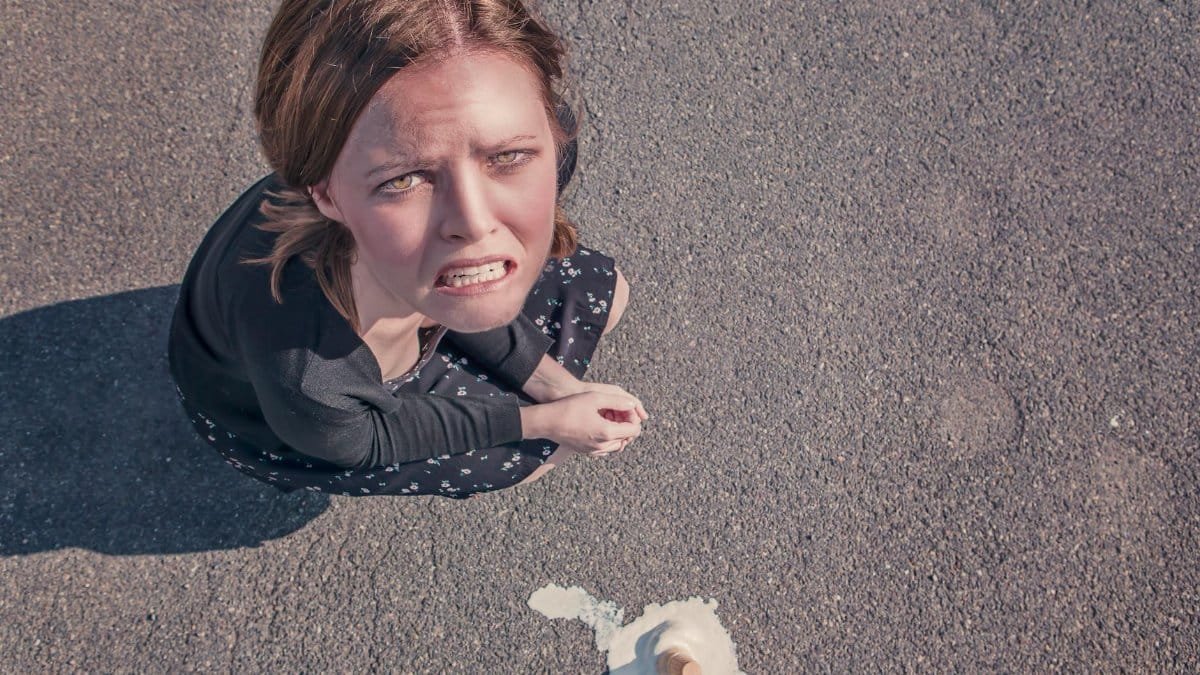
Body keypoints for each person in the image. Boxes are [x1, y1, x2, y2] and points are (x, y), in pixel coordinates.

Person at [167, 0, 648, 498]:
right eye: (405, 179)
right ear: (325, 192)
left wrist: (554, 385)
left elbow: (460, 285)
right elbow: (370, 438)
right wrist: (545, 420)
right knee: (534, 455)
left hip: (393, 300)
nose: (475, 223)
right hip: (280, 417)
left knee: (608, 297)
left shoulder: (513, 162)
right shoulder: (307, 369)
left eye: (507, 156)